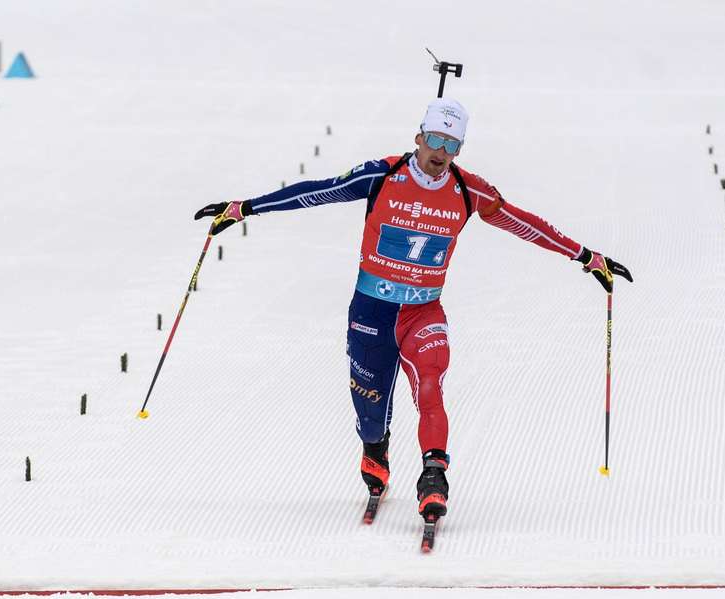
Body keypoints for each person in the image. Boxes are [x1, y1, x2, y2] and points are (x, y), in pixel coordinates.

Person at [194, 98, 632, 524]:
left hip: (422, 312)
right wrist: (246, 208)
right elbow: (317, 191)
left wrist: (585, 256)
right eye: (435, 141)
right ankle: (375, 449)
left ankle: (433, 475)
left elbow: (521, 222)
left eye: (451, 145)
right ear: (419, 137)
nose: (440, 154)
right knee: (370, 408)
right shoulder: (384, 175)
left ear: (459, 149)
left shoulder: (468, 189)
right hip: (372, 310)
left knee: (430, 386)